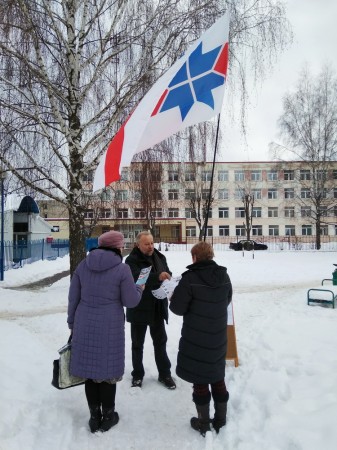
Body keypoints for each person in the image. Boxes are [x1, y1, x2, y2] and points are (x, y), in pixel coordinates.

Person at [67, 231, 144, 433]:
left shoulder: (83, 265)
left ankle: (94, 417)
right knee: (107, 372)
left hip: (84, 323)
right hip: (109, 326)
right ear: (117, 247)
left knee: (90, 373)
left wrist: (71, 322)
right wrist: (140, 288)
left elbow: (73, 297)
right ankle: (108, 417)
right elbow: (130, 301)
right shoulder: (122, 269)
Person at [169, 241, 232, 436]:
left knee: (200, 381)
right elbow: (227, 299)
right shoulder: (224, 275)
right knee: (217, 376)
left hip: (196, 337)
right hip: (218, 337)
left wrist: (172, 295)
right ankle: (221, 420)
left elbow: (177, 308)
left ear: (195, 258)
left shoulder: (189, 278)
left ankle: (204, 423)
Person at [125, 231, 176, 389]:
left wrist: (168, 278)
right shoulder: (131, 260)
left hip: (157, 307)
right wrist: (157, 277)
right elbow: (136, 278)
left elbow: (166, 273)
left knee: (160, 342)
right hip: (139, 307)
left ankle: (165, 374)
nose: (150, 246)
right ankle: (138, 375)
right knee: (137, 344)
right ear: (138, 245)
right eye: (147, 244)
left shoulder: (160, 257)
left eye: (152, 243)